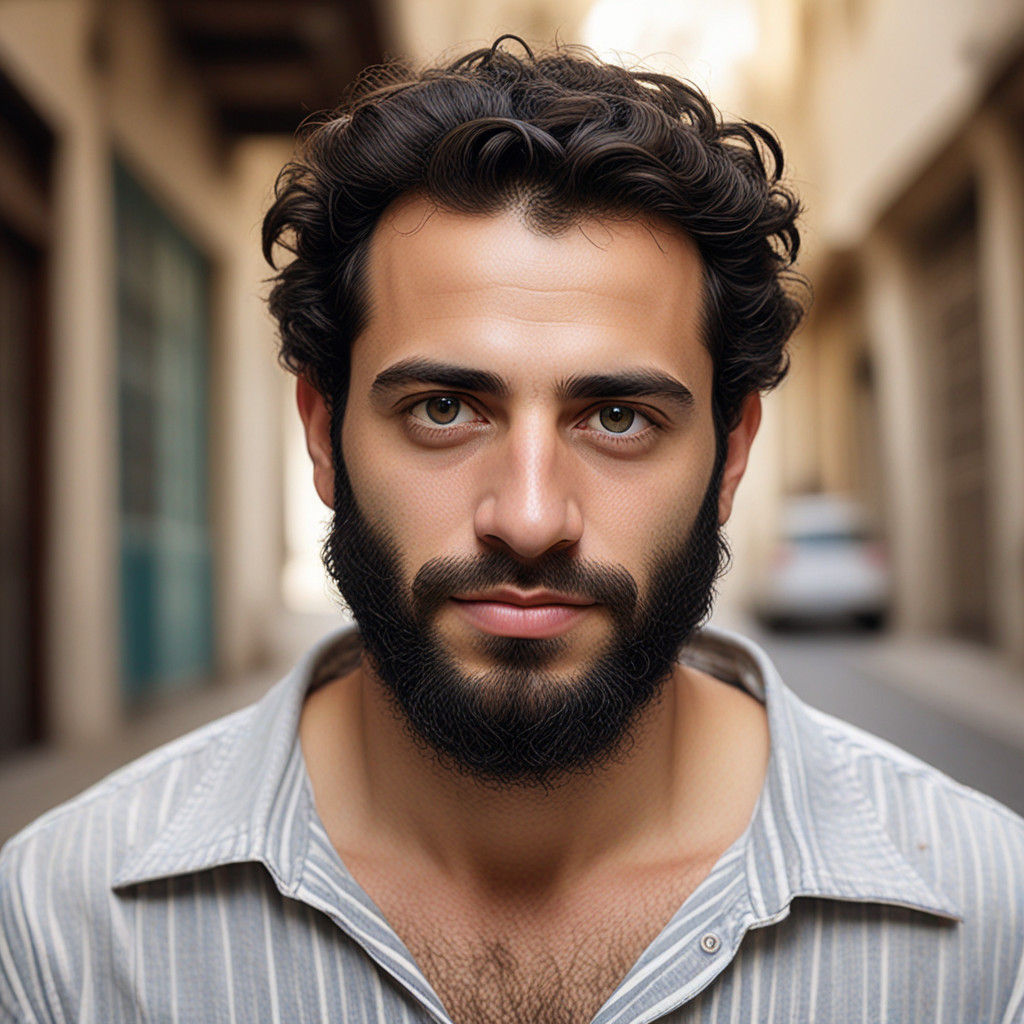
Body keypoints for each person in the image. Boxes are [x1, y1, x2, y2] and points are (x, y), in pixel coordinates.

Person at [2, 37, 1023, 1024]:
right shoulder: (62, 933)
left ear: (730, 455)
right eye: (444, 409)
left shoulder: (991, 930)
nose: (530, 519)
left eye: (617, 418)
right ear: (322, 433)